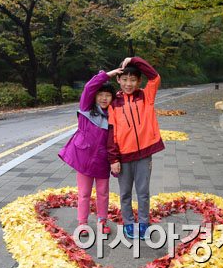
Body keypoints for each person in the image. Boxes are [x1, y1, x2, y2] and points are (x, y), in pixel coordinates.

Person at [58, 67, 123, 235]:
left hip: (102, 160)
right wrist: (107, 75)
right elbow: (88, 87)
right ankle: (82, 223)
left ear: (112, 97)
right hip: (84, 159)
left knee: (103, 193)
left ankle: (102, 221)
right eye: (100, 94)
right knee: (84, 193)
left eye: (107, 95)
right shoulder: (87, 108)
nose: (103, 98)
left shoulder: (114, 115)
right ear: (95, 96)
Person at [107, 57, 165, 240]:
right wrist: (113, 159)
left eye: (132, 80)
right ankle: (128, 223)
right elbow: (111, 133)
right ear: (118, 80)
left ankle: (144, 223)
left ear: (139, 81)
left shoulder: (145, 96)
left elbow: (155, 77)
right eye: (124, 79)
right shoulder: (113, 103)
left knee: (143, 192)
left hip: (144, 155)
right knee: (124, 193)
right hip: (123, 157)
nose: (128, 84)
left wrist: (133, 60)